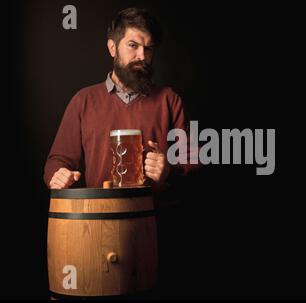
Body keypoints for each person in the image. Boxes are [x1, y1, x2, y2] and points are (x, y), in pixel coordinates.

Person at [44, 8, 194, 201]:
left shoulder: (169, 99)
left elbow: (194, 160)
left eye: (148, 48)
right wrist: (58, 175)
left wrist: (169, 170)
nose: (142, 56)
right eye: (133, 45)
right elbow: (57, 161)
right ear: (112, 48)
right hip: (99, 221)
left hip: (156, 222)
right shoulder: (84, 100)